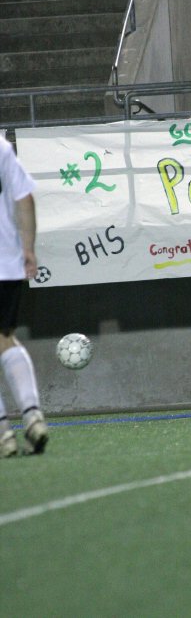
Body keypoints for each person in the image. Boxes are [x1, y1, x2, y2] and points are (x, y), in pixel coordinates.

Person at [0, 135, 49, 457]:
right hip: (6, 262)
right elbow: (25, 198)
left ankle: (4, 432)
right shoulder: (1, 147)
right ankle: (32, 415)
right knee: (5, 338)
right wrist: (28, 249)